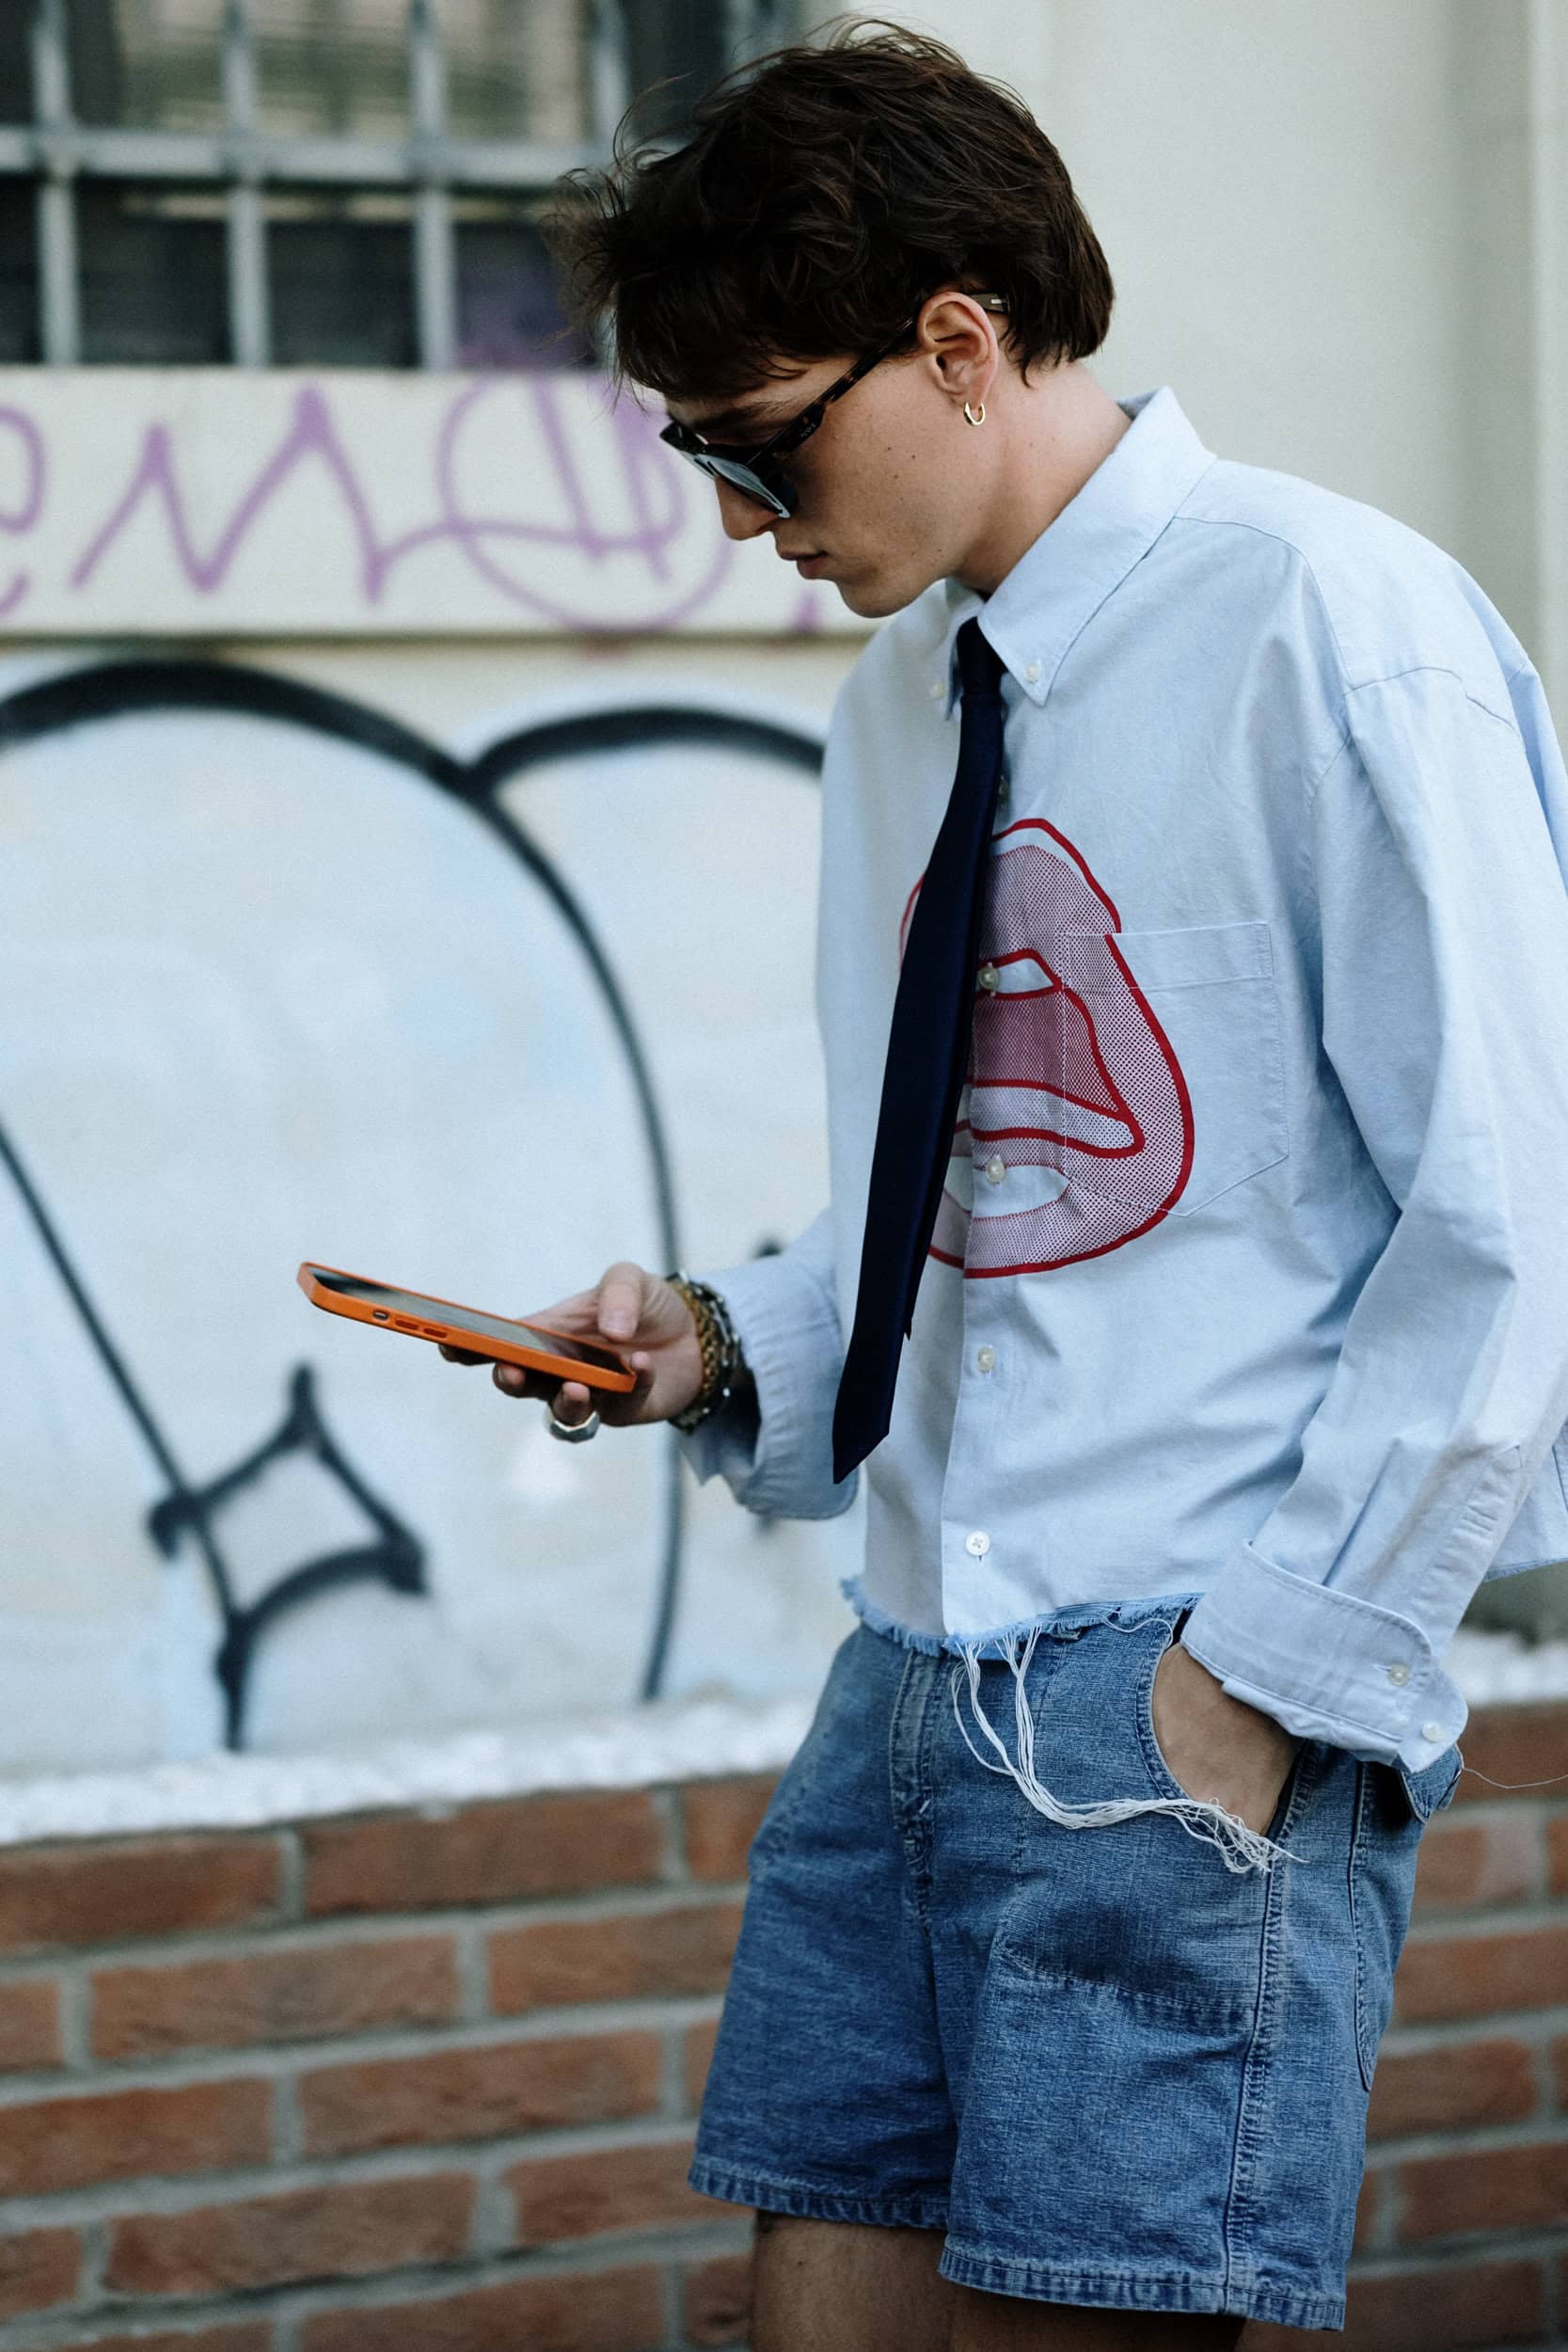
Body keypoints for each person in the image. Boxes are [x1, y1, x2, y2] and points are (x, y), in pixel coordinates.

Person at [445, 20, 1568, 2346]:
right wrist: (725, 1342)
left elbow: (1513, 1217)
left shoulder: (1334, 630)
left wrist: (1255, 1687)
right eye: (694, 452)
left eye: (760, 439)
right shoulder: (906, 700)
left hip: (1177, 1685)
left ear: (959, 343)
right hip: (902, 1678)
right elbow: (976, 1208)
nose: (738, 516)